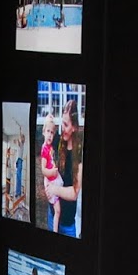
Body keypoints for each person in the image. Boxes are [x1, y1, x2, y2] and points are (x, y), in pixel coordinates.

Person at [50, 98, 83, 237]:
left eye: (66, 124)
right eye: (61, 123)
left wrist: (54, 189)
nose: (62, 128)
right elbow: (47, 139)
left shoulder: (79, 153)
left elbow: (75, 193)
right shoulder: (59, 141)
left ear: (74, 127)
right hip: (52, 215)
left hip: (68, 225)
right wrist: (49, 122)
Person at [36, 115, 62, 232]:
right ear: (43, 132)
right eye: (48, 131)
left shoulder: (49, 146)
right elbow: (43, 169)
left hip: (54, 179)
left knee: (58, 210)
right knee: (57, 210)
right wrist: (51, 172)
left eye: (52, 132)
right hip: (51, 181)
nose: (50, 135)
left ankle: (55, 229)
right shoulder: (44, 149)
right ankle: (55, 231)